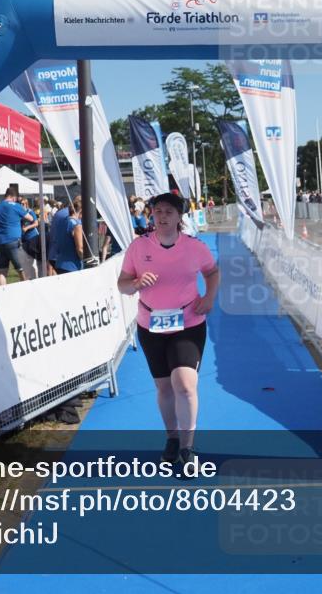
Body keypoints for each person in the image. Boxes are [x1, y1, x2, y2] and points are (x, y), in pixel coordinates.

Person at [117, 192, 220, 469]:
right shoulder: (138, 247)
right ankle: (172, 437)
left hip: (188, 323)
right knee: (164, 388)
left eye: (168, 212)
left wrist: (209, 297)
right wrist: (136, 283)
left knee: (185, 385)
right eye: (158, 211)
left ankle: (187, 447)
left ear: (179, 217)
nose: (162, 216)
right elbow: (122, 285)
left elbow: (212, 272)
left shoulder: (194, 247)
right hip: (150, 325)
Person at [0, 186, 35, 286]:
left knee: (2, 271)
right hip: (13, 242)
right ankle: (26, 290)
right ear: (13, 197)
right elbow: (30, 218)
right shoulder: (16, 206)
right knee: (22, 269)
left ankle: (1, 294)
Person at [54, 197, 85, 273]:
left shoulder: (61, 222)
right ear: (81, 211)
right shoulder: (77, 225)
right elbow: (80, 249)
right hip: (72, 266)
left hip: (59, 263)